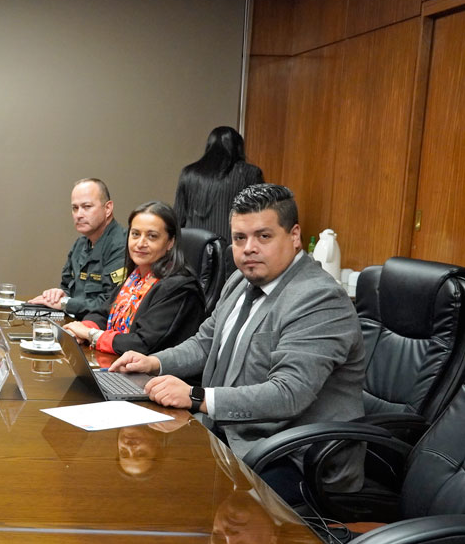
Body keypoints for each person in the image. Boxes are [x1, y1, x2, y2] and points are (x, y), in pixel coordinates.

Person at [111, 184, 364, 502]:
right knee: (142, 475)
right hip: (229, 433)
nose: (249, 249)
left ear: (295, 236)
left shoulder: (318, 298)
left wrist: (196, 396)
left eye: (264, 236)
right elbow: (205, 343)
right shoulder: (240, 280)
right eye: (240, 238)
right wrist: (154, 362)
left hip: (292, 457)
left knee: (179, 501)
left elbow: (288, 394)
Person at [63, 201, 204, 355]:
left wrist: (91, 335)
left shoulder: (179, 288)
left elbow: (142, 344)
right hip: (118, 362)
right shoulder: (136, 278)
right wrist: (81, 330)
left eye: (152, 236)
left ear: (170, 242)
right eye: (135, 234)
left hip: (151, 369)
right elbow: (102, 313)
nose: (140, 243)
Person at [30, 178, 126, 317]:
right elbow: (67, 287)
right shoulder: (80, 244)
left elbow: (111, 304)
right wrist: (59, 295)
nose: (79, 215)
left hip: (98, 326)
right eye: (75, 208)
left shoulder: (121, 245)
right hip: (74, 322)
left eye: (87, 207)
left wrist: (66, 303)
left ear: (108, 208)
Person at [173, 126, 264, 248]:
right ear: (238, 148)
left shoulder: (189, 173)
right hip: (232, 248)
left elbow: (178, 219)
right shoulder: (249, 173)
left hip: (193, 248)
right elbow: (260, 217)